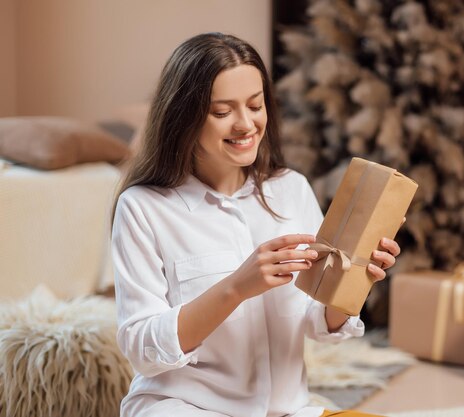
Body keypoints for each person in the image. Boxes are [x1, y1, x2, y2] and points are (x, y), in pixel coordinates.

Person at [111, 32, 401, 417]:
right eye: (222, 112)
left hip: (287, 411)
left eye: (255, 105)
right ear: (183, 117)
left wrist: (357, 277)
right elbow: (141, 347)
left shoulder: (291, 190)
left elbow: (318, 321)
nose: (246, 124)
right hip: (182, 408)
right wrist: (236, 287)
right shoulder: (143, 208)